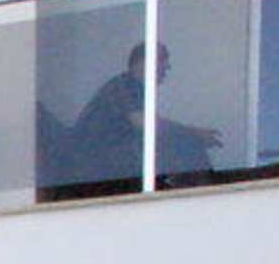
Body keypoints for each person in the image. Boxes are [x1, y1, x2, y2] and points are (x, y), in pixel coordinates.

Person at [68, 42, 222, 190]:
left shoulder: (132, 88)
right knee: (184, 143)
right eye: (161, 59)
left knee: (181, 142)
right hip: (94, 162)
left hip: (107, 160)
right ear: (142, 62)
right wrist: (192, 134)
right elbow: (145, 124)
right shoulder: (124, 86)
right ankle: (204, 192)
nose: (167, 67)